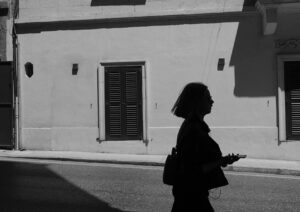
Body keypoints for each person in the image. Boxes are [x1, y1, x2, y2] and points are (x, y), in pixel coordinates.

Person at [171, 82, 240, 212]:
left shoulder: (193, 126)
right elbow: (193, 169)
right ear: (197, 102)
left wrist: (222, 161)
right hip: (192, 196)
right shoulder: (193, 129)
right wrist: (220, 161)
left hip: (190, 193)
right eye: (208, 98)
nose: (212, 101)